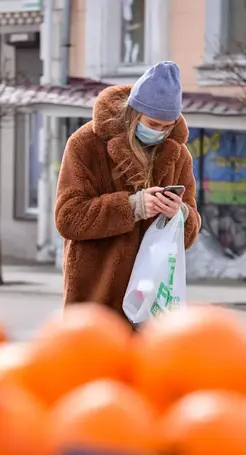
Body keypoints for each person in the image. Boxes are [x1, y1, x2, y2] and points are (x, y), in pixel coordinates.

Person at [55, 61, 201, 322]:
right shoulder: (86, 144)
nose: (160, 132)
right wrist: (131, 207)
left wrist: (178, 214)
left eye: (167, 126)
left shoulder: (178, 155)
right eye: (153, 123)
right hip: (96, 295)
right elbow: (68, 218)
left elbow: (188, 233)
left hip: (152, 299)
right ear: (134, 113)